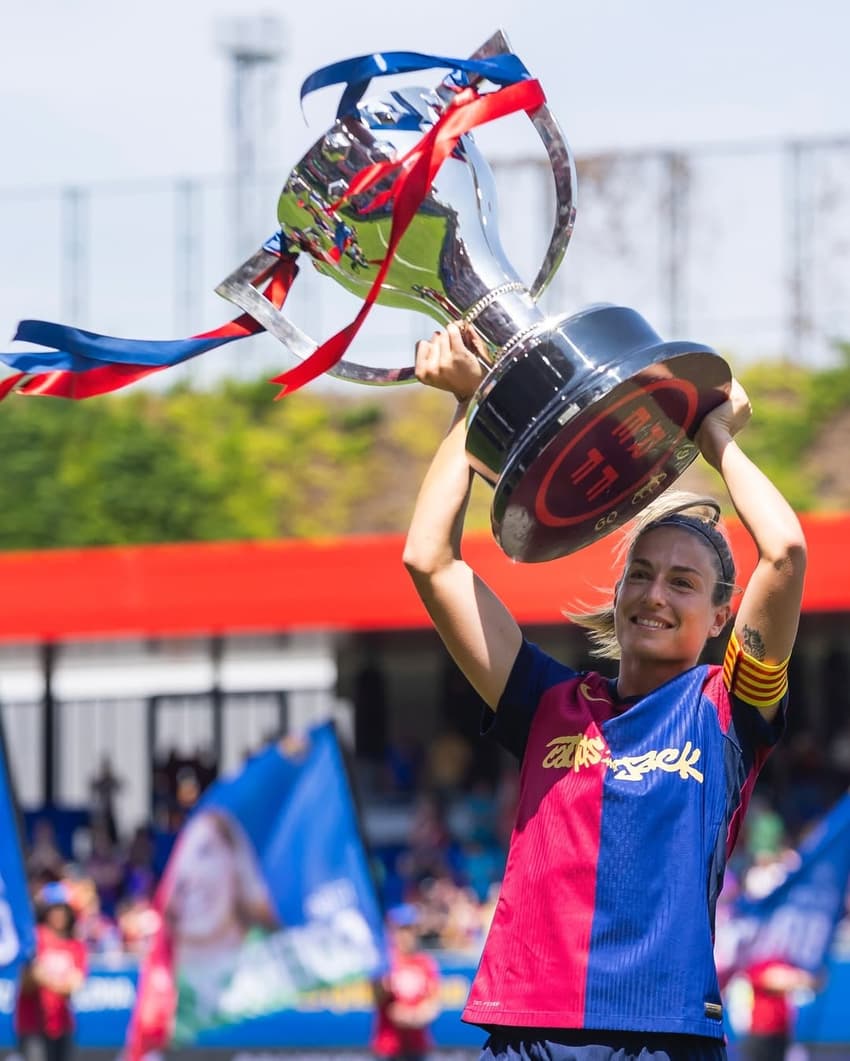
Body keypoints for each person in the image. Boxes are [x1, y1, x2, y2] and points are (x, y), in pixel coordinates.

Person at [402, 323, 807, 1061]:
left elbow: (783, 552)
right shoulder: (543, 701)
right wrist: (469, 408)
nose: (655, 593)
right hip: (526, 1030)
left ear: (722, 614)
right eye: (641, 574)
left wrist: (712, 435)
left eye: (683, 582)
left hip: (665, 1035)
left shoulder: (729, 708)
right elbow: (430, 561)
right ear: (616, 594)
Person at [159, 807, 279, 1043]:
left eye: (205, 853)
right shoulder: (165, 981)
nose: (189, 876)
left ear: (237, 862)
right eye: (182, 860)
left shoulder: (282, 956)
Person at [15, 882, 88, 1061]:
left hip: (62, 1024)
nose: (59, 914)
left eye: (63, 909)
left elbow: (76, 983)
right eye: (54, 909)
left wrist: (45, 977)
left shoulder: (76, 945)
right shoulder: (34, 938)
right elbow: (27, 980)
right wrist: (56, 981)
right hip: (32, 1023)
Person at [371, 904, 442, 1061]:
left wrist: (414, 1016)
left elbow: (433, 1003)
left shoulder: (425, 963)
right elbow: (377, 997)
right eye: (401, 929)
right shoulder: (385, 962)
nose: (406, 935)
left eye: (410, 929)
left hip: (417, 1048)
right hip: (388, 1047)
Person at [738, 959, 818, 1061]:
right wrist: (796, 978)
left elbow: (812, 981)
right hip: (761, 1033)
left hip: (782, 1033)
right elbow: (772, 981)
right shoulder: (758, 964)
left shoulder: (784, 962)